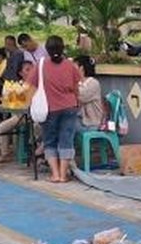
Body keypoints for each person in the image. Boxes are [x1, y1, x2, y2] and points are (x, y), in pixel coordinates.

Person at [37, 35, 83, 183]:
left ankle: (55, 174)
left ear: (47, 50)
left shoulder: (41, 64)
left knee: (49, 140)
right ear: (63, 48)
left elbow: (31, 86)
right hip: (69, 106)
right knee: (66, 139)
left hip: (49, 108)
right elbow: (76, 87)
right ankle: (64, 175)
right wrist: (77, 101)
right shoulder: (70, 65)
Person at [76, 55, 105, 130]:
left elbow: (80, 97)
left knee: (66, 124)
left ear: (81, 68)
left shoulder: (93, 84)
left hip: (91, 123)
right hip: (81, 120)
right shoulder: (78, 83)